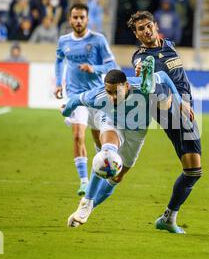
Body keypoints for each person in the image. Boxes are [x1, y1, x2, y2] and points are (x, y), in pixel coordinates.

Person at [62, 68, 193, 228]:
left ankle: (91, 207)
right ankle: (87, 202)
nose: (113, 97)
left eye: (116, 92)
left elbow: (164, 76)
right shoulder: (98, 96)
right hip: (111, 123)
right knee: (106, 156)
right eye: (109, 92)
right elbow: (75, 99)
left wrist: (179, 102)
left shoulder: (142, 86)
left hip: (136, 133)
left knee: (117, 177)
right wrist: (66, 111)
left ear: (127, 86)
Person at [127, 11, 202, 234]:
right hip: (169, 109)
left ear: (155, 25)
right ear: (136, 34)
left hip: (187, 106)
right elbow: (144, 71)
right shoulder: (141, 57)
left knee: (194, 172)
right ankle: (168, 218)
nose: (146, 31)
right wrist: (141, 73)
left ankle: (168, 218)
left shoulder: (168, 45)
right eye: (141, 29)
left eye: (148, 26)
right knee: (193, 170)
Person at [55, 3, 118, 196]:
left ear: (87, 19)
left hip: (97, 95)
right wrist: (59, 83)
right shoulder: (64, 41)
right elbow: (59, 60)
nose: (78, 21)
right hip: (75, 96)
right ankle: (84, 181)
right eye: (75, 17)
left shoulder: (98, 40)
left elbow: (113, 65)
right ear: (70, 19)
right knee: (77, 136)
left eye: (82, 17)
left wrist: (94, 69)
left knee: (99, 141)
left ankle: (103, 167)